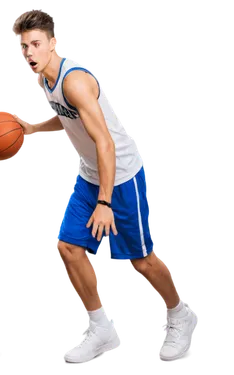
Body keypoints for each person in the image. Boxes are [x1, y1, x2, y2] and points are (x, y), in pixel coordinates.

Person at [11, 8, 199, 364]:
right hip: (92, 174)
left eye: (36, 44)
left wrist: (105, 202)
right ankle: (102, 328)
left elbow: (106, 144)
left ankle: (181, 315)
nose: (29, 53)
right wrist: (35, 128)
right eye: (24, 46)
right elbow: (67, 118)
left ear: (54, 44)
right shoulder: (45, 80)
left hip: (122, 175)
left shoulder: (73, 80)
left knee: (141, 260)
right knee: (68, 247)